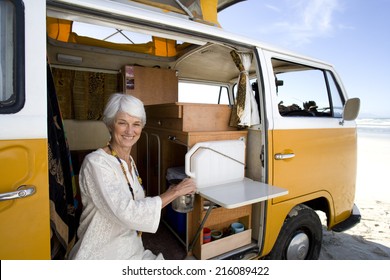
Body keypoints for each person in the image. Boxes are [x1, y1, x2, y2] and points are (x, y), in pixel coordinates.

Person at [68, 93, 196, 260]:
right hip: (101, 253)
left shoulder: (129, 161)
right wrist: (174, 192)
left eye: (136, 124)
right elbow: (126, 212)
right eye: (122, 123)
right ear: (110, 125)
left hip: (132, 248)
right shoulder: (95, 163)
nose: (130, 131)